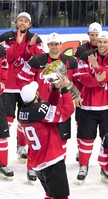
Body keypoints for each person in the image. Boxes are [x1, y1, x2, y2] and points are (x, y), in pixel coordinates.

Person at [17, 32, 79, 181]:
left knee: (62, 140)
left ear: (60, 45)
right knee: (37, 141)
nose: (54, 47)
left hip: (60, 105)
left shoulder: (70, 62)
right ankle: (31, 168)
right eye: (51, 44)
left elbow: (77, 80)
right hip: (41, 110)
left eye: (56, 44)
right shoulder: (37, 61)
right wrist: (31, 96)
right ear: (48, 45)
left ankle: (60, 167)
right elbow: (21, 78)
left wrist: (76, 94)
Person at [18, 79, 74, 199]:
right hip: (52, 162)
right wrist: (65, 90)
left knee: (50, 196)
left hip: (38, 164)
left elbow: (49, 106)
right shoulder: (40, 112)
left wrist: (55, 89)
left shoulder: (23, 112)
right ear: (36, 95)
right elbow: (66, 111)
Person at [76, 30, 108, 181]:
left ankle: (106, 167)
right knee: (86, 138)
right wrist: (97, 80)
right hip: (88, 105)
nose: (102, 44)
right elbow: (83, 78)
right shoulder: (85, 57)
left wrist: (96, 67)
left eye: (105, 42)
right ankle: (83, 166)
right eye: (100, 42)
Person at [0, 12, 44, 178]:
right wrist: (18, 45)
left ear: (30, 24)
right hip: (9, 87)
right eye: (20, 20)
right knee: (7, 122)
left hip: (26, 88)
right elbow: (7, 58)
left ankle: (22, 145)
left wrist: (30, 48)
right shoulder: (5, 38)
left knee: (25, 120)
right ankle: (2, 159)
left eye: (26, 21)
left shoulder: (36, 39)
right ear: (16, 22)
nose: (23, 23)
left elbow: (37, 60)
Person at [0, 44, 13, 179]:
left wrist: (2, 82)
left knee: (2, 132)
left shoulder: (0, 50)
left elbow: (4, 65)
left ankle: (2, 163)